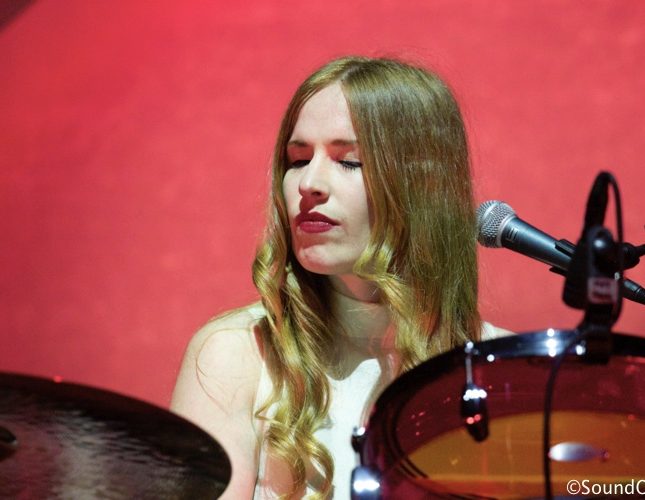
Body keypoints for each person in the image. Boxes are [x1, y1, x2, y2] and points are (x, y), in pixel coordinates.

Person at [171, 55, 509, 499]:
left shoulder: (504, 371)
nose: (308, 183)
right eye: (297, 159)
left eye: (348, 162)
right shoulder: (236, 354)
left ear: (425, 185)